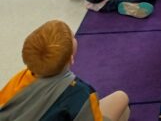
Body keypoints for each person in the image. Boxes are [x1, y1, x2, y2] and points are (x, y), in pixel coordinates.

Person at [0, 20, 130, 120]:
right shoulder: (80, 92)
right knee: (122, 99)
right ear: (71, 59)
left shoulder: (19, 79)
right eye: (73, 37)